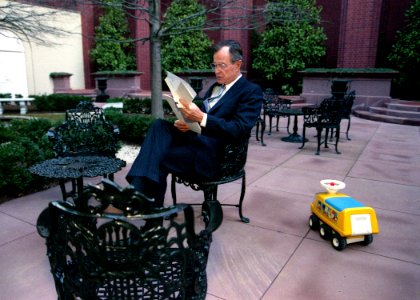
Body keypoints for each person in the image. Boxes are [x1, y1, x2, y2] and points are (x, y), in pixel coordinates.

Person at [126, 39, 263, 207]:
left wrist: (202, 118)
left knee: (157, 159)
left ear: (237, 64)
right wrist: (187, 122)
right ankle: (137, 194)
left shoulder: (250, 91)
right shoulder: (215, 88)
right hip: (196, 143)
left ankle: (142, 205)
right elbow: (205, 122)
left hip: (216, 156)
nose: (217, 71)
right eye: (214, 65)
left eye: (222, 65)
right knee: (159, 125)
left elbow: (239, 128)